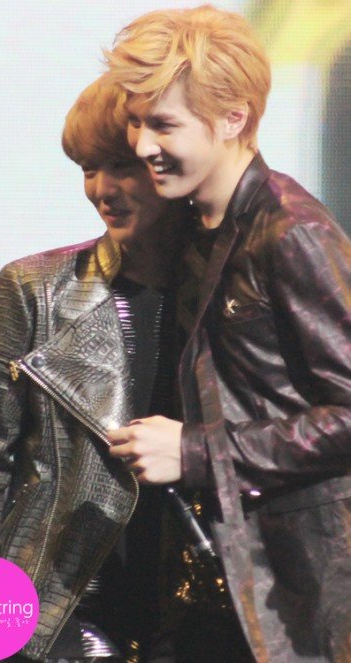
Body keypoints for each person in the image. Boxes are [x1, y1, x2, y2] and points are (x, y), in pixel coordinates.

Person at [0, 75, 215, 663]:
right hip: (61, 616)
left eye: (122, 167)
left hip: (201, 613)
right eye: (88, 169)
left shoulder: (233, 293)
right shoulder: (34, 288)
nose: (102, 190)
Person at [104, 4, 351, 662]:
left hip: (292, 599)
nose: (142, 145)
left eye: (163, 124)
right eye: (136, 121)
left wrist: (196, 452)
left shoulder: (292, 233)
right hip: (210, 585)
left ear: (233, 118)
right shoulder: (192, 230)